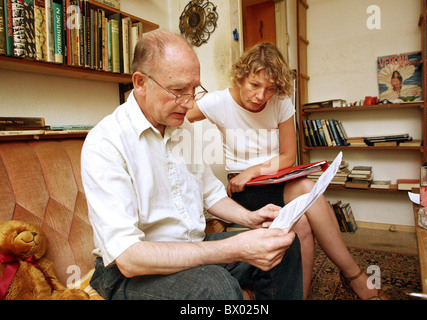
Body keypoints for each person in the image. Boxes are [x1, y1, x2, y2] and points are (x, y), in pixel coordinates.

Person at [80, 31, 303, 300]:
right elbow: (128, 258)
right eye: (178, 91)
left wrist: (250, 219)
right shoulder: (106, 143)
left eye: (194, 90)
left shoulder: (181, 127)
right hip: (131, 272)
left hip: (190, 247)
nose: (190, 103)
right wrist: (233, 248)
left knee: (281, 244)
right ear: (140, 83)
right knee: (214, 285)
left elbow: (210, 192)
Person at [187, 42, 389, 300]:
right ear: (241, 77)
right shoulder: (218, 102)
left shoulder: (280, 102)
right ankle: (355, 277)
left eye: (270, 89)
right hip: (243, 188)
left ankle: (300, 295)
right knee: (306, 188)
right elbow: (179, 115)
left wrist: (254, 169)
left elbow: (287, 156)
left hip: (274, 178)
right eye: (254, 85)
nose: (261, 96)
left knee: (303, 222)